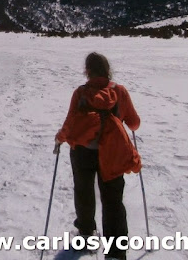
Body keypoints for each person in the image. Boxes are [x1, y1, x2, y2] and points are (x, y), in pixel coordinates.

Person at [54, 52, 140, 260]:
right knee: (112, 199)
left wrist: (59, 139)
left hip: (82, 151)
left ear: (88, 71)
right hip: (112, 153)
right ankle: (116, 251)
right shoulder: (119, 92)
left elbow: (71, 121)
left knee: (84, 192)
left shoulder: (81, 93)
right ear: (107, 69)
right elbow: (134, 123)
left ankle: (85, 234)